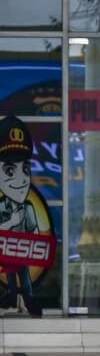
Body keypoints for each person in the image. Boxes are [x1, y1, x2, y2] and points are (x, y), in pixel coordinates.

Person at [0, 115, 44, 316]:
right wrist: (12, 222)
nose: (21, 179)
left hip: (21, 252)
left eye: (25, 169)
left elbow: (34, 231)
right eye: (9, 170)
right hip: (7, 253)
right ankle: (10, 297)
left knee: (25, 280)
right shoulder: (1, 206)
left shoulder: (28, 208)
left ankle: (28, 300)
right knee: (11, 279)